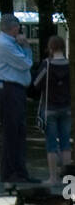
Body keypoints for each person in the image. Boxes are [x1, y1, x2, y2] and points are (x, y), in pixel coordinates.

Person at [0, 14, 38, 187]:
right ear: (14, 28)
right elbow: (26, 63)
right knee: (13, 132)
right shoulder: (6, 45)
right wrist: (26, 46)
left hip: (13, 90)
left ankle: (16, 171)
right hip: (10, 91)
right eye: (18, 27)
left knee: (16, 132)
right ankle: (13, 172)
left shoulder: (9, 43)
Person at [33, 36, 71, 185]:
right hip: (66, 107)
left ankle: (53, 177)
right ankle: (68, 178)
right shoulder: (69, 65)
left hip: (50, 108)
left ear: (50, 48)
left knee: (51, 144)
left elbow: (36, 83)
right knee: (65, 143)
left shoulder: (47, 65)